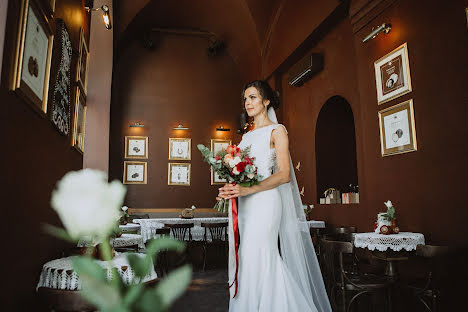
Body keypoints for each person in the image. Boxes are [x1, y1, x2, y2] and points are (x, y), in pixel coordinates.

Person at [218, 80, 331, 312]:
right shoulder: (246, 136)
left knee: (262, 255)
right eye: (246, 99)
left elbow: (284, 175)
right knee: (247, 257)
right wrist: (230, 189)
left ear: (266, 100)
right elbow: (241, 175)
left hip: (267, 203)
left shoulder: (277, 131)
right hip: (246, 204)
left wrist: (248, 189)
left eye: (253, 97)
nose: (248, 103)